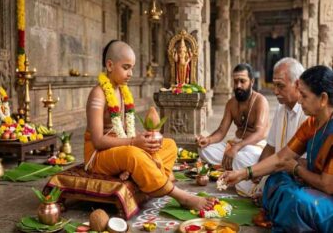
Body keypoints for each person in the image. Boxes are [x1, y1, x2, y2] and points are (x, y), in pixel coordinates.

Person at [84, 40, 215, 210]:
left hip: (120, 148)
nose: (130, 73)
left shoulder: (123, 92)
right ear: (109, 65)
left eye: (132, 68)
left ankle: (147, 176)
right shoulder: (98, 94)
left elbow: (125, 132)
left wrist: (143, 139)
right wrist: (133, 142)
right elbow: (98, 141)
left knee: (169, 144)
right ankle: (180, 196)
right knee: (133, 154)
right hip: (98, 156)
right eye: (126, 67)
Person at [222, 65, 333, 232]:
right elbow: (281, 158)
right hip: (312, 185)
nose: (300, 100)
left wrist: (297, 169)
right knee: (275, 178)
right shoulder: (312, 123)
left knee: (295, 200)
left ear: (323, 99)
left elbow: (327, 185)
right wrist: (243, 173)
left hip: (327, 196)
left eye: (304, 95)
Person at [197, 63, 269, 196]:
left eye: (242, 81)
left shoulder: (260, 101)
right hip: (235, 144)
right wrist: (208, 139)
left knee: (239, 158)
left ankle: (238, 171)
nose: (238, 86)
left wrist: (236, 148)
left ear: (252, 82)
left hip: (254, 146)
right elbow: (221, 131)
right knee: (204, 150)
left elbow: (260, 133)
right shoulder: (231, 103)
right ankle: (234, 167)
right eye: (236, 81)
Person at [251, 58, 307, 197]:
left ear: (298, 84)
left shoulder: (307, 113)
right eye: (274, 85)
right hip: (278, 167)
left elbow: (302, 163)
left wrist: (262, 171)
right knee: (244, 169)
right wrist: (257, 173)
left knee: (284, 192)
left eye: (280, 86)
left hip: (295, 174)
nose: (275, 91)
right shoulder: (280, 108)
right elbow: (270, 147)